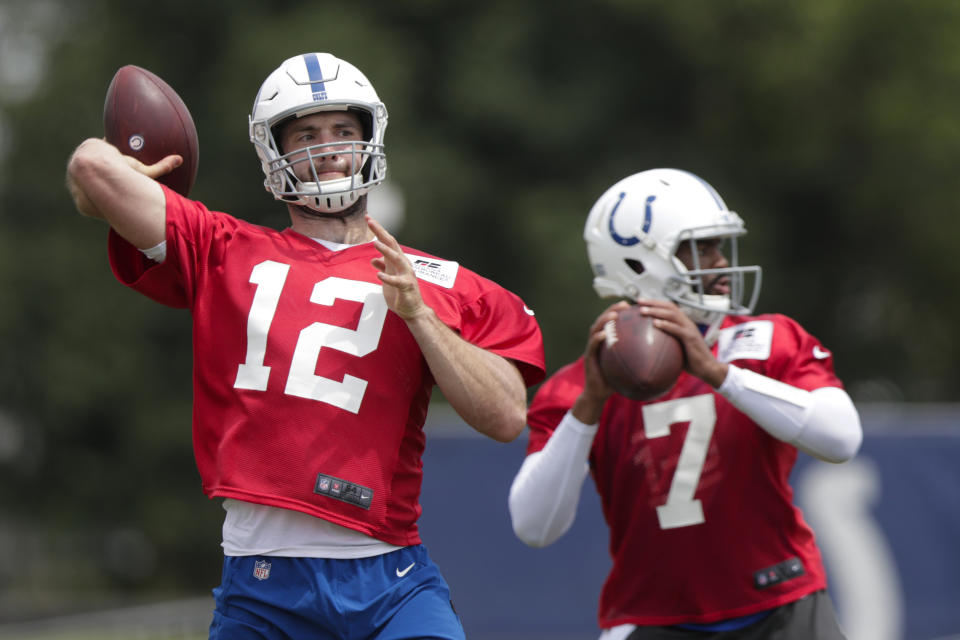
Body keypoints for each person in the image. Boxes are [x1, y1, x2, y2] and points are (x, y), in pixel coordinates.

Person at [66, 52, 545, 640]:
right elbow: (92, 165)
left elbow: (505, 416)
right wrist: (115, 184)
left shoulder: (437, 281)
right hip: (263, 586)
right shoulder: (224, 248)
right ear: (274, 153)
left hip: (391, 578)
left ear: (370, 138)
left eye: (343, 131)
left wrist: (419, 315)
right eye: (307, 135)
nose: (328, 148)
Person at [508, 168, 862, 639]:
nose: (719, 262)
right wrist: (590, 405)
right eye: (700, 249)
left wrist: (718, 373)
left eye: (718, 245)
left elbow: (841, 439)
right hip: (654, 618)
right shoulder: (584, 384)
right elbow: (534, 526)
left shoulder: (765, 341)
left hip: (780, 603)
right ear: (638, 264)